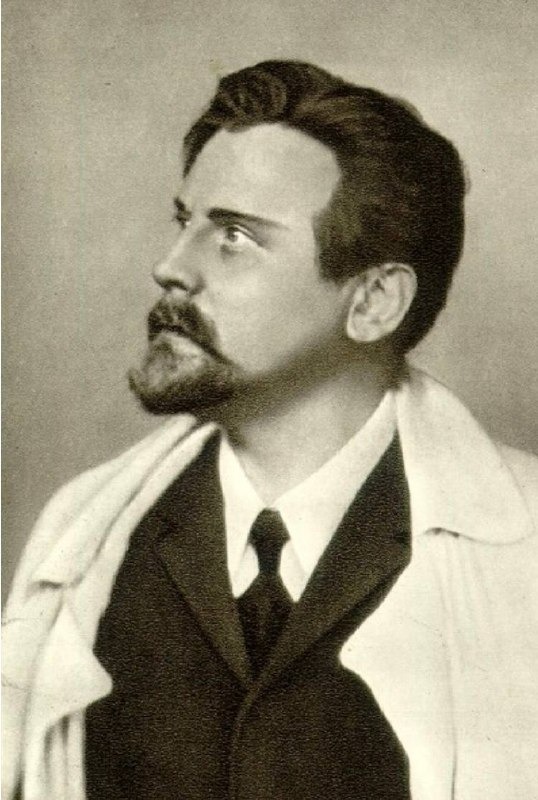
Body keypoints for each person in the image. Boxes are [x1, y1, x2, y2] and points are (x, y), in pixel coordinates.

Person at [3, 60, 537, 800]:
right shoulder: (84, 534)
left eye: (234, 236)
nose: (168, 268)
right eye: (184, 223)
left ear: (375, 301)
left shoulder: (525, 558)